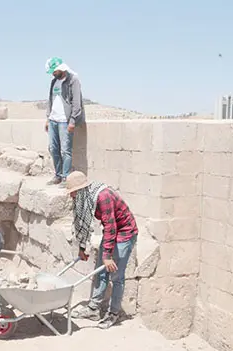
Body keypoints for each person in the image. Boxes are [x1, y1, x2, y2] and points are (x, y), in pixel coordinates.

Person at [65, 171, 138, 329]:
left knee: (116, 274)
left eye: (73, 193)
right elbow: (82, 222)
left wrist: (107, 256)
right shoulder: (84, 198)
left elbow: (111, 226)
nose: (71, 196)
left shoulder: (102, 196)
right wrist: (82, 248)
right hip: (111, 231)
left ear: (81, 189)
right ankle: (93, 309)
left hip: (124, 232)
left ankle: (113, 314)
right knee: (101, 270)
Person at [44, 57, 85, 187]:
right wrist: (47, 118)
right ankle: (57, 175)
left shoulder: (73, 80)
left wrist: (72, 121)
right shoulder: (53, 82)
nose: (53, 74)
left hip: (65, 121)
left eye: (54, 71)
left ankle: (65, 178)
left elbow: (77, 103)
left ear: (60, 69)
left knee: (65, 151)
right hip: (53, 120)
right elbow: (50, 100)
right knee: (52, 148)